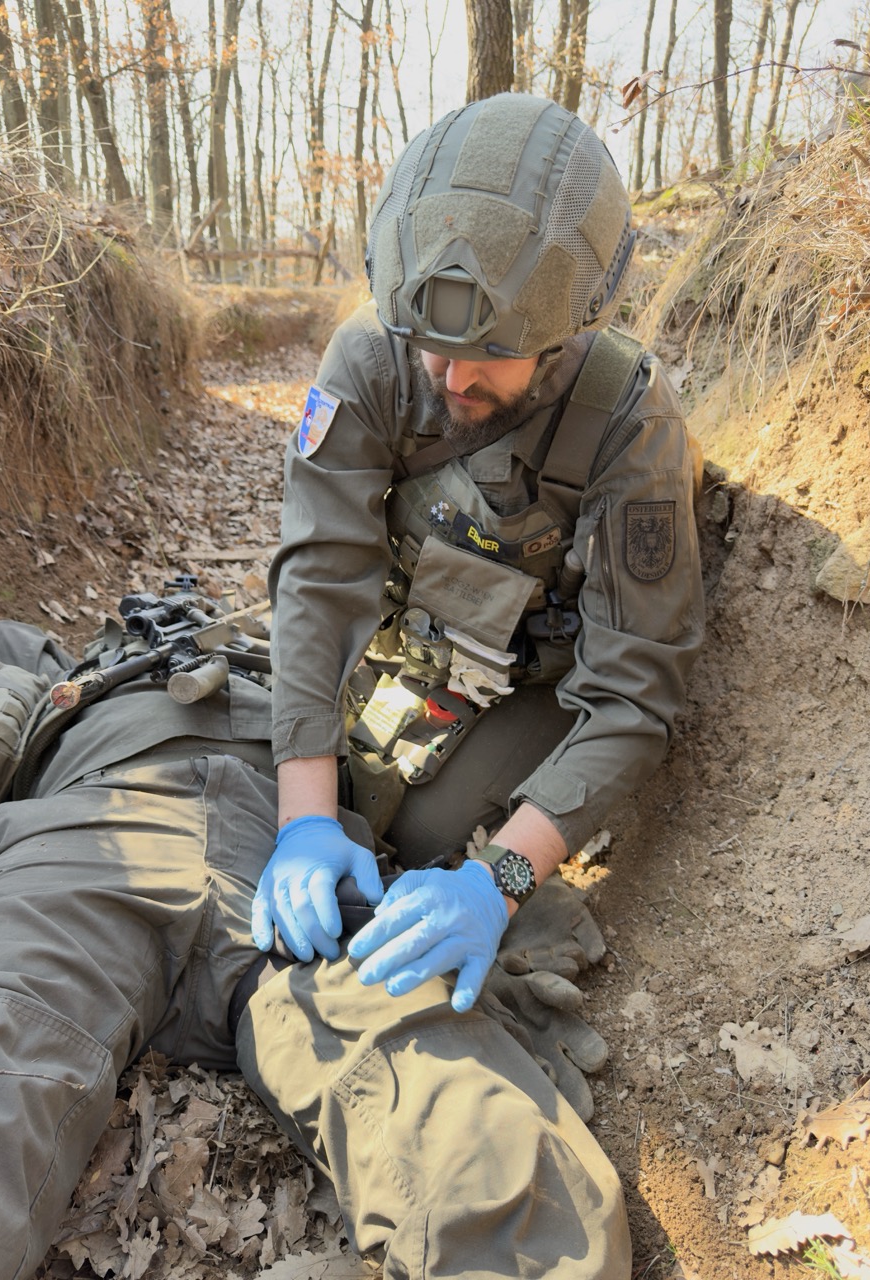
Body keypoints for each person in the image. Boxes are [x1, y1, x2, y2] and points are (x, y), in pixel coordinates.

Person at [0, 588, 629, 1280]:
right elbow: (1, 640)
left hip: (298, 857)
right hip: (99, 829)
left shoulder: (286, 661)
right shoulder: (89, 668)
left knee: (500, 1179)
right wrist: (102, 652)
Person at [263, 93, 704, 1032]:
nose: (452, 379)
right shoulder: (371, 360)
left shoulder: (630, 423)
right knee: (304, 781)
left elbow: (634, 691)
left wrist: (498, 881)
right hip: (410, 630)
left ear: (568, 327)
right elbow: (318, 579)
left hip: (532, 673)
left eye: (490, 356)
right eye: (433, 347)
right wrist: (301, 820)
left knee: (424, 838)